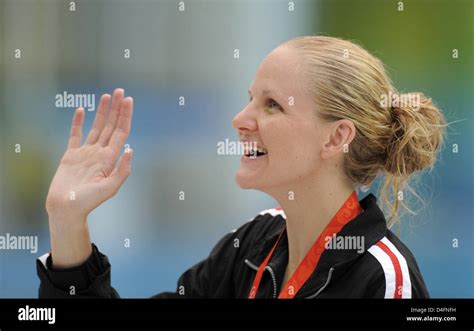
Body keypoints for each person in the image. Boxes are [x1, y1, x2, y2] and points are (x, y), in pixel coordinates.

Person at [37, 36, 445, 298]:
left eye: (272, 105)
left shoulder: (383, 280)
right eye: (251, 98)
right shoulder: (248, 248)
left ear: (336, 138)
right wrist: (67, 220)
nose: (240, 119)